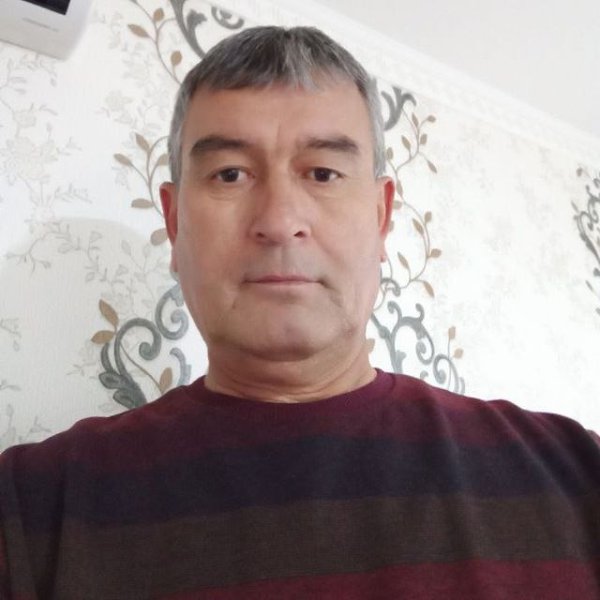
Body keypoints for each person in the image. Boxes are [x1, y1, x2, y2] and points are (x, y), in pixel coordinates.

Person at [0, 26, 599, 600]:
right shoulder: (29, 508)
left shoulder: (575, 473)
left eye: (323, 173)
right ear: (175, 221)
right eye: (230, 174)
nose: (280, 220)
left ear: (382, 216)